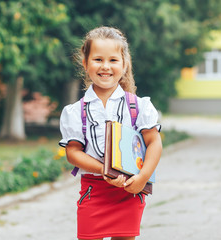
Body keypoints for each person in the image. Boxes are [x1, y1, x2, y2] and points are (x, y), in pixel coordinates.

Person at [59, 26, 163, 240]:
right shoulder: (75, 112)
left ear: (124, 64)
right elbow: (73, 153)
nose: (105, 67)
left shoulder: (139, 106)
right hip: (94, 190)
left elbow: (154, 142)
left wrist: (142, 178)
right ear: (85, 62)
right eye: (98, 59)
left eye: (113, 60)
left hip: (129, 190)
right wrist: (103, 170)